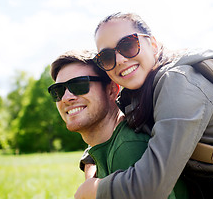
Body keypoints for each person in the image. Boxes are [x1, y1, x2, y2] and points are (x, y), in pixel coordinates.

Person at [75, 13, 213, 199]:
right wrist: (90, 160)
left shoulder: (178, 83)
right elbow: (116, 128)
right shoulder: (139, 94)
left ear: (153, 44)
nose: (120, 59)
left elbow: (151, 186)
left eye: (128, 45)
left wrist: (93, 190)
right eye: (106, 56)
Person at [48, 50, 189, 199]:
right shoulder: (108, 144)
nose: (66, 98)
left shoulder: (128, 147)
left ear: (112, 89)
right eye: (58, 90)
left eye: (79, 85)